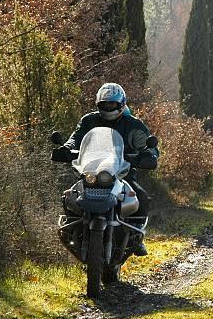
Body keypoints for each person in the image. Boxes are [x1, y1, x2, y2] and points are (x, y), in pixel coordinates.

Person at [61, 83, 159, 256]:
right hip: (91, 172)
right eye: (104, 104)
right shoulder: (88, 120)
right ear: (98, 104)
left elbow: (145, 143)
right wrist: (66, 149)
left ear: (121, 104)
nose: (108, 107)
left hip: (121, 173)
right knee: (70, 195)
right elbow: (75, 138)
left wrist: (149, 153)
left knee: (141, 196)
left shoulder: (132, 124)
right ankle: (70, 228)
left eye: (112, 104)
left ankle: (136, 237)